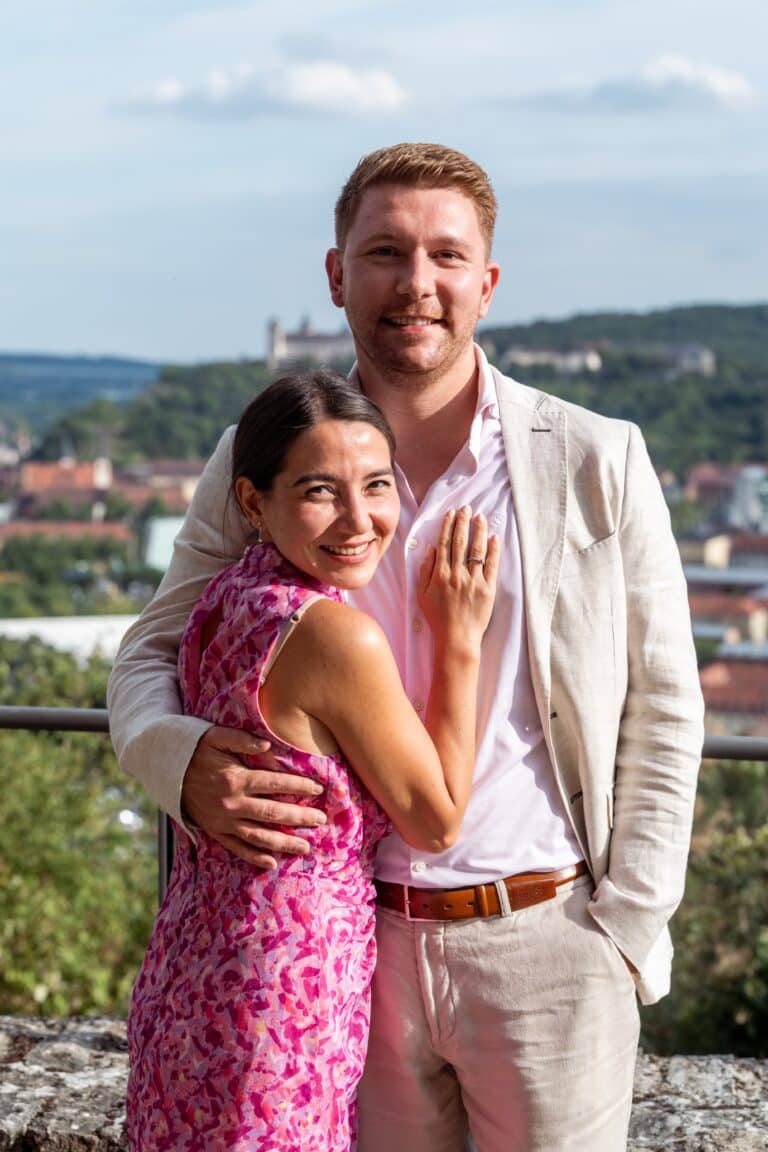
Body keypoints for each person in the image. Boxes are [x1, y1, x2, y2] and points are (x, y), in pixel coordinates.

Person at [108, 143, 705, 1152]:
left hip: (547, 945)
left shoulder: (598, 459)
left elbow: (666, 708)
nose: (415, 283)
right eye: (384, 251)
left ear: (488, 281)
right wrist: (178, 761)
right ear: (336, 274)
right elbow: (150, 650)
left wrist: (624, 930)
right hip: (348, 947)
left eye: (444, 255)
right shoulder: (266, 451)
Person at [124, 369, 498, 1151]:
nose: (359, 520)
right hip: (279, 987)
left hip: (192, 962)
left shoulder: (224, 599)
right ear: (253, 501)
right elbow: (434, 819)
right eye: (321, 491)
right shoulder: (334, 635)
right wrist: (458, 639)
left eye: (375, 485)